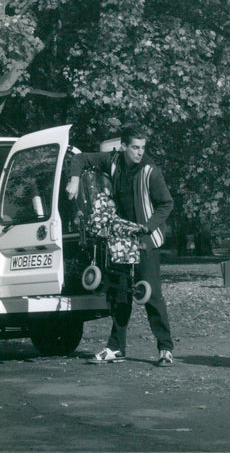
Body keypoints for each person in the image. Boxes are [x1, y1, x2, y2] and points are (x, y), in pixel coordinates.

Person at [66, 125, 174, 367]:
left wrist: (147, 227)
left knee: (151, 295)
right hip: (121, 239)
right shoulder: (113, 161)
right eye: (135, 147)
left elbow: (167, 204)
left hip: (146, 241)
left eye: (142, 147)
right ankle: (116, 348)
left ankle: (165, 348)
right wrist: (74, 180)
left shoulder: (150, 172)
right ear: (123, 146)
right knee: (119, 294)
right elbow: (80, 158)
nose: (140, 152)